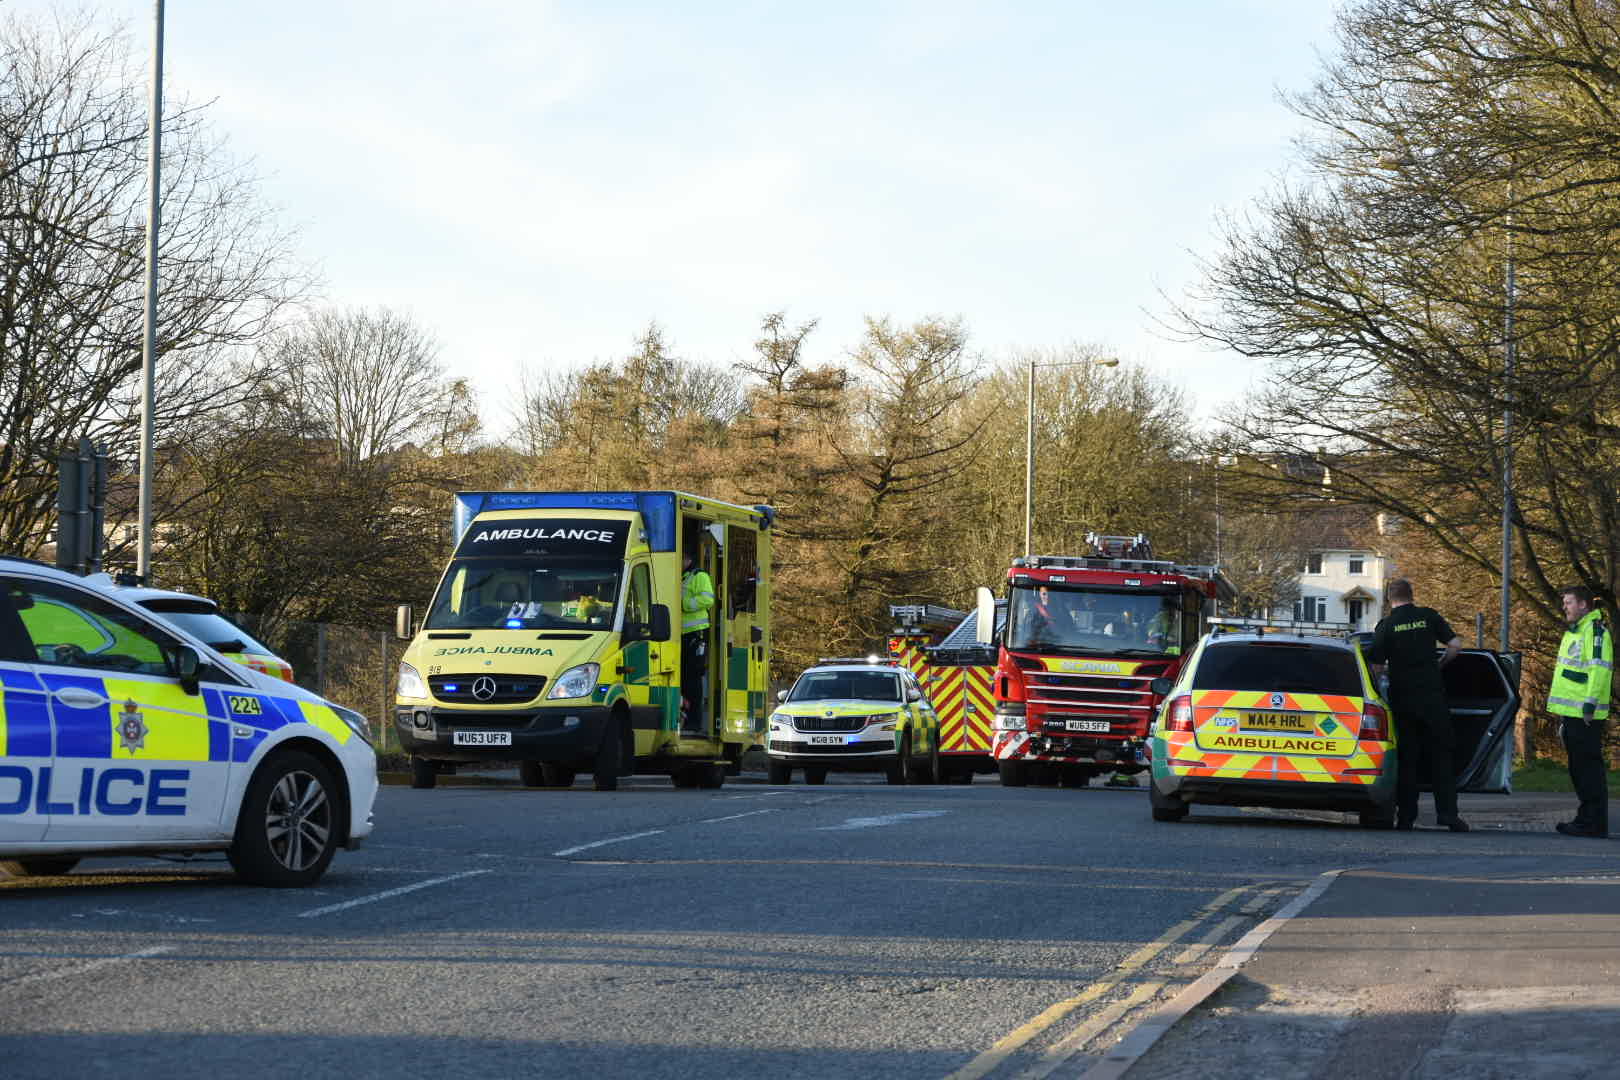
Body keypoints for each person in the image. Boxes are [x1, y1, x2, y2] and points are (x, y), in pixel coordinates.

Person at [1368, 578, 1467, 831]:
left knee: (1408, 759)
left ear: (1390, 599)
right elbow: (1455, 646)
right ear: (1412, 595)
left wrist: (1382, 686)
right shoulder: (1429, 616)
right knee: (1441, 757)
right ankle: (1448, 815)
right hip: (1433, 697)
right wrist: (1440, 665)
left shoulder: (1386, 625)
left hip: (1404, 699)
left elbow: (1377, 665)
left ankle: (1406, 818)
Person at [1549, 585, 1611, 839]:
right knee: (1579, 769)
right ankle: (1586, 818)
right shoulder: (1577, 631)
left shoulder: (1594, 632)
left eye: (1569, 602)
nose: (1565, 607)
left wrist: (1589, 704)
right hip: (1573, 712)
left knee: (1587, 770)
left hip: (1584, 715)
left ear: (1584, 605)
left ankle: (1593, 822)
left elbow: (1600, 669)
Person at [680, 549, 715, 734]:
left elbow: (707, 599)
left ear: (688, 559)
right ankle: (685, 718)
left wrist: (684, 603)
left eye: (682, 558)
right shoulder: (683, 576)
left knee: (693, 679)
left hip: (695, 634)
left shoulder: (699, 575)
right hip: (683, 634)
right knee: (685, 678)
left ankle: (695, 721)